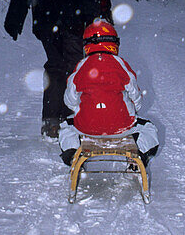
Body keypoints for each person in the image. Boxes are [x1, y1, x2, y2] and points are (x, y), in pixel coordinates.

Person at [4, 0, 108, 138]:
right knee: (76, 68)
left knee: (55, 66)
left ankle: (52, 122)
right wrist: (93, 21)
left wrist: (15, 18)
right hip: (72, 17)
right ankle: (74, 122)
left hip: (45, 19)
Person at [58, 20, 159, 166]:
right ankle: (140, 155)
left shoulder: (81, 66)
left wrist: (85, 109)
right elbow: (135, 96)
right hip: (122, 126)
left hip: (87, 127)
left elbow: (69, 100)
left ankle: (72, 154)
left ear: (86, 44)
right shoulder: (120, 64)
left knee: (66, 127)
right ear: (114, 43)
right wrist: (132, 109)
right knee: (149, 128)